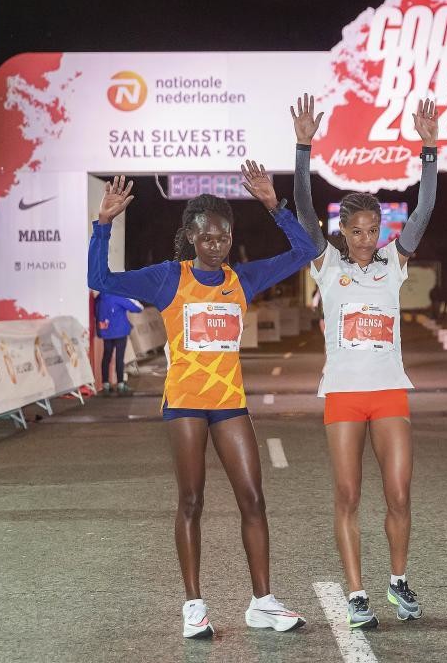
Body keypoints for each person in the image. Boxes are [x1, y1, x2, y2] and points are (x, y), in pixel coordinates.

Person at [87, 171, 316, 638]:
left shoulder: (242, 278)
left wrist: (275, 207)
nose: (216, 245)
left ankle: (262, 603)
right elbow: (99, 278)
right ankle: (193, 606)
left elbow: (306, 251)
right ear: (190, 236)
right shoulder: (169, 278)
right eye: (207, 237)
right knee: (191, 500)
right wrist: (103, 225)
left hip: (229, 402)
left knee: (253, 498)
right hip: (186, 403)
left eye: (224, 237)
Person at [292, 93, 438, 628]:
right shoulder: (327, 264)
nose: (363, 238)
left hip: (389, 390)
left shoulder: (392, 263)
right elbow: (303, 208)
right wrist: (304, 148)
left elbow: (424, 210)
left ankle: (397, 580)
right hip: (343, 394)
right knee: (348, 495)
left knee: (399, 493)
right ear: (342, 232)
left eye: (371, 230)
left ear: (380, 231)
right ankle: (357, 593)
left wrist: (428, 150)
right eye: (355, 230)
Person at [94, 290, 143, 395]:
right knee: (119, 358)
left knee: (106, 357)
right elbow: (137, 308)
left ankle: (105, 384)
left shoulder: (99, 298)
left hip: (106, 332)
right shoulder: (118, 295)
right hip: (120, 331)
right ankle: (121, 384)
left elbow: (96, 312)